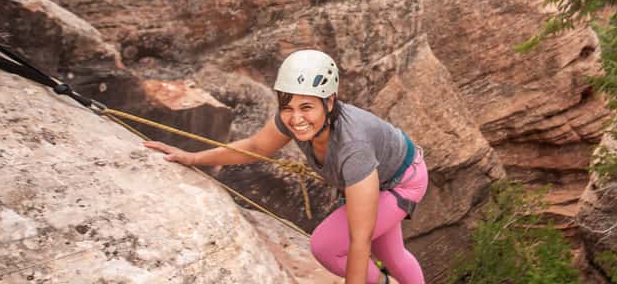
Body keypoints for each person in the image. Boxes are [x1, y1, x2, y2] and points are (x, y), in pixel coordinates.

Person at [143, 49, 427, 284]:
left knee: (328, 247)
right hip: (379, 173)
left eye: (307, 107)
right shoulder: (293, 119)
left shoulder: (353, 147)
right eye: (287, 107)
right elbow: (254, 148)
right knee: (390, 255)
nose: (296, 119)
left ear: (329, 102)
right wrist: (192, 158)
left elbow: (358, 239)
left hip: (403, 181)